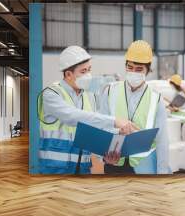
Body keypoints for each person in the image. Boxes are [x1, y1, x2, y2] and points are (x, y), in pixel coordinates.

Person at [38, 45, 137, 174]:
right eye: (83, 71)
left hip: (82, 170)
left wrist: (113, 143)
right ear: (68, 74)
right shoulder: (51, 94)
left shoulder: (90, 97)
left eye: (89, 70)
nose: (88, 75)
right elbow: (73, 117)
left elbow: (96, 130)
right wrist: (115, 121)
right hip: (53, 170)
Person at [100, 40, 170, 174]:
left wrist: (163, 173)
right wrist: (104, 156)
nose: (133, 72)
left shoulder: (156, 99)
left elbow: (162, 141)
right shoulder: (109, 92)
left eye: (139, 69)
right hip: (113, 163)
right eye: (130, 67)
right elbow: (102, 127)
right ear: (125, 65)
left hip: (143, 166)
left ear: (148, 70)